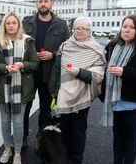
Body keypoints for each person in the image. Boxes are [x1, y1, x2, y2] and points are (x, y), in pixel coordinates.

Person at [100, 15, 136, 164]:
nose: (127, 30)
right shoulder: (113, 46)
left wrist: (125, 72)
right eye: (124, 26)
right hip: (115, 101)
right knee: (117, 138)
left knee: (129, 139)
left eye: (132, 27)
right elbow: (104, 70)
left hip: (134, 102)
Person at [49, 16, 106, 164]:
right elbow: (56, 68)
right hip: (64, 94)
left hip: (82, 95)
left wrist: (79, 72)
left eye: (84, 28)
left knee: (79, 130)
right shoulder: (65, 45)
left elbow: (98, 76)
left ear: (89, 31)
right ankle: (65, 155)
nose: (80, 31)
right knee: (65, 128)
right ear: (72, 29)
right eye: (77, 28)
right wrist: (53, 89)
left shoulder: (96, 49)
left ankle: (76, 158)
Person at [0, 12, 39, 164]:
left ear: (18, 25)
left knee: (18, 122)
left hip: (21, 88)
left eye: (13, 23)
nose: (11, 25)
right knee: (5, 120)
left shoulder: (27, 41)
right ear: (4, 25)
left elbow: (35, 63)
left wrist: (23, 65)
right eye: (8, 23)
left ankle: (17, 152)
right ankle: (6, 148)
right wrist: (5, 68)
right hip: (2, 87)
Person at [22, 0, 70, 149]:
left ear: (51, 4)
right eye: (40, 1)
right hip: (28, 74)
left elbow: (68, 50)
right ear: (36, 4)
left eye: (46, 1)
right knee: (25, 107)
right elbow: (16, 44)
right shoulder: (26, 22)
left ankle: (41, 139)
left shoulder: (61, 25)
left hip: (48, 75)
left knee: (45, 109)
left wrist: (53, 54)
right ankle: (22, 138)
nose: (43, 4)